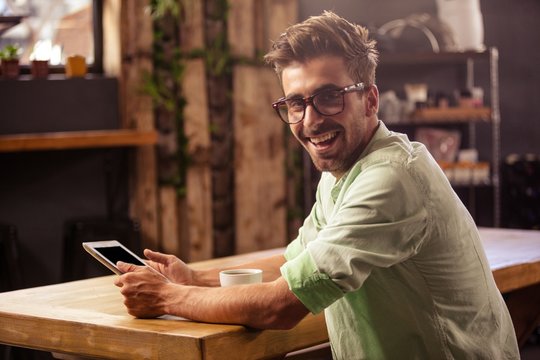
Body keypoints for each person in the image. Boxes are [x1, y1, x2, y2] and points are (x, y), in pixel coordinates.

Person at [114, 11, 519, 359]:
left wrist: (166, 298)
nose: (310, 120)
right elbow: (296, 265)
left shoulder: (391, 178)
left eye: (329, 96)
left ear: (370, 100)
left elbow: (280, 307)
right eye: (295, 103)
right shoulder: (341, 173)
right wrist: (194, 278)